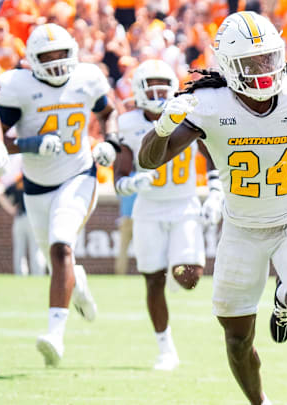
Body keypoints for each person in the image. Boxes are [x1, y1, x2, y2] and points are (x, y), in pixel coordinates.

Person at [137, 12, 287, 405]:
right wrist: (162, 126)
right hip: (241, 230)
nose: (264, 70)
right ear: (228, 65)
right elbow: (148, 159)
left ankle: (285, 296)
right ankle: (260, 402)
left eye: (269, 59)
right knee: (237, 338)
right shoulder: (208, 103)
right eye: (252, 63)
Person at [0, 23, 121, 367]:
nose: (55, 63)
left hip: (79, 175)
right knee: (57, 259)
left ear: (74, 53)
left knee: (61, 244)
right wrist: (30, 144)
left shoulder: (87, 77)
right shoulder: (16, 86)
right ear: (32, 61)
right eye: (46, 57)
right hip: (36, 186)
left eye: (61, 55)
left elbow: (108, 112)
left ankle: (56, 335)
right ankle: (76, 281)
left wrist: (110, 142)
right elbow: (1, 136)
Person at [113, 59, 221, 371]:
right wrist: (131, 182)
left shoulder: (186, 114)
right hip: (147, 208)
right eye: (152, 85)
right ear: (138, 89)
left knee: (188, 278)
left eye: (164, 84)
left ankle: (177, 268)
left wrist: (215, 193)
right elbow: (119, 176)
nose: (159, 91)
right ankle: (165, 348)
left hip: (184, 204)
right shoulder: (129, 123)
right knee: (152, 280)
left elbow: (210, 156)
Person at [0, 174, 47, 276]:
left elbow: (0, 194)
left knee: (24, 249)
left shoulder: (19, 181)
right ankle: (37, 274)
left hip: (23, 218)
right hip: (31, 218)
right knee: (34, 249)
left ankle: (23, 274)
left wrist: (10, 209)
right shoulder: (34, 180)